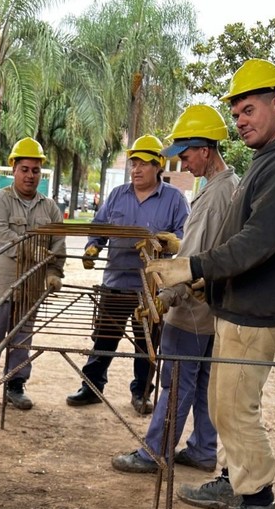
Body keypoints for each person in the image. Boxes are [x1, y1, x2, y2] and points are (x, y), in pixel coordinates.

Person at [147, 59, 275, 509]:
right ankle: (233, 481)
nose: (241, 121)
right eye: (237, 113)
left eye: (249, 110)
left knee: (235, 408)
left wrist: (192, 268)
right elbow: (240, 238)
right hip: (240, 301)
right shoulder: (269, 159)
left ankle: (260, 506)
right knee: (222, 403)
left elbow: (258, 242)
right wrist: (207, 279)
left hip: (258, 309)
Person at [110, 105, 239, 474]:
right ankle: (202, 450)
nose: (183, 163)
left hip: (192, 309)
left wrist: (165, 297)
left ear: (205, 150)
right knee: (203, 384)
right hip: (213, 310)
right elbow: (206, 248)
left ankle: (155, 452)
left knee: (176, 381)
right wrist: (178, 245)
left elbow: (193, 262)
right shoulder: (227, 186)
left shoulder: (213, 197)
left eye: (186, 155)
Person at [66, 135, 189, 415]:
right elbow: (99, 227)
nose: (136, 169)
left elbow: (185, 235)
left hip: (151, 288)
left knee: (147, 343)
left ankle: (142, 393)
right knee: (104, 338)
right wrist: (92, 247)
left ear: (158, 166)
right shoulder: (117, 195)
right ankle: (91, 387)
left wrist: (168, 242)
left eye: (143, 163)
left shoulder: (174, 199)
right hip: (116, 282)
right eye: (133, 163)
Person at [0, 137, 65, 410]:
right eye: (25, 169)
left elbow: (58, 244)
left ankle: (15, 385)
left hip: (31, 288)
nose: (30, 175)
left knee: (22, 340)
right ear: (14, 170)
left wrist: (53, 272)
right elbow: (0, 234)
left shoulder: (50, 208)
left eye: (35, 170)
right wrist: (34, 251)